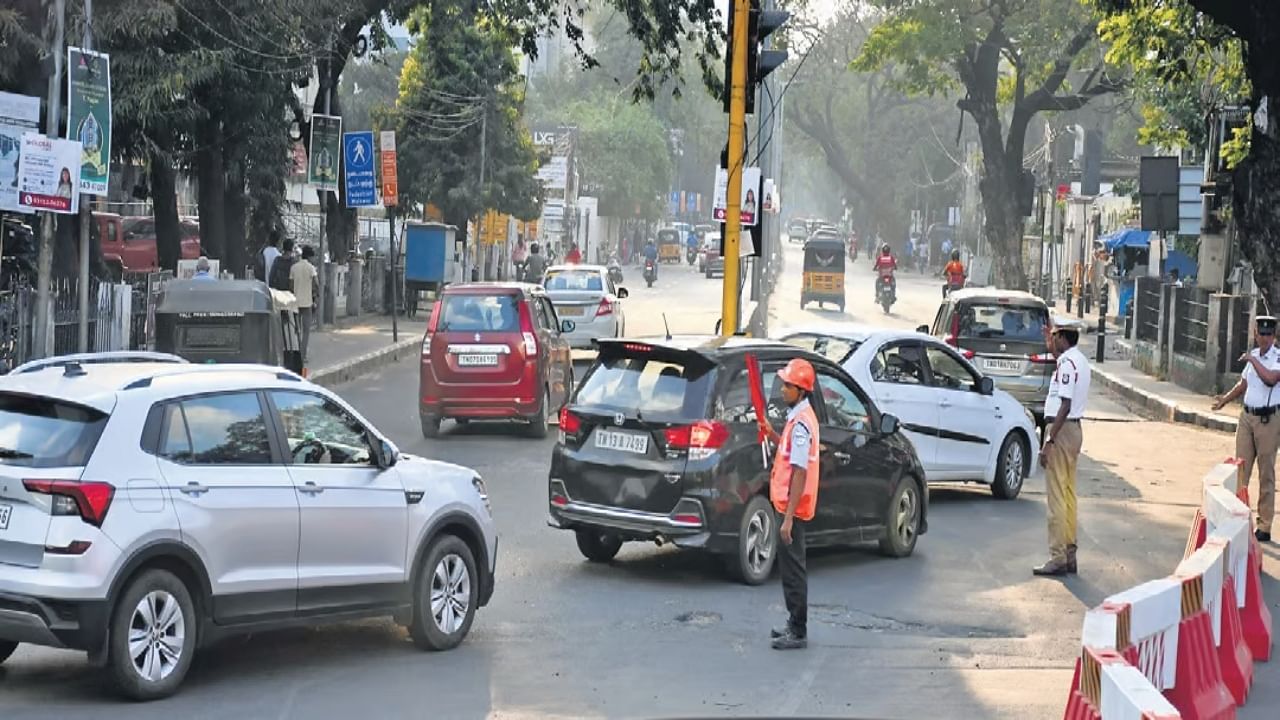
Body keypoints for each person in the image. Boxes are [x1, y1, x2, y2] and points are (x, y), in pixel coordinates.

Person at [758, 358, 820, 650]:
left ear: (801, 390)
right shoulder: (799, 419)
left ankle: (798, 630)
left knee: (794, 570)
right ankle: (793, 624)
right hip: (789, 507)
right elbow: (790, 452)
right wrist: (770, 433)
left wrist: (788, 519)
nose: (782, 389)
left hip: (792, 509)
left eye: (788, 385)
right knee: (791, 568)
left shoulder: (801, 425)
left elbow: (799, 471)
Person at [1212, 315, 1280, 542]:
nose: (1265, 338)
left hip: (1268, 419)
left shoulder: (1276, 358)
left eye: (1269, 334)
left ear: (1274, 336)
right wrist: (1225, 399)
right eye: (1262, 334)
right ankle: (1238, 519)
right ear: (1256, 333)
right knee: (1240, 470)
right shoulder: (1253, 356)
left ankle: (1265, 524)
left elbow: (1271, 379)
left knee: (1266, 472)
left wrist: (1253, 360)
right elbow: (1244, 384)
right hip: (1247, 416)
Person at [1035, 324, 1092, 576]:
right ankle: (1069, 554)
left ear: (1062, 338)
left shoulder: (1067, 364)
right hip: (1074, 431)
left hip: (1062, 430)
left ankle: (1057, 556)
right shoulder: (1080, 361)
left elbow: (1065, 404)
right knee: (1068, 494)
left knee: (1056, 496)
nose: (1051, 341)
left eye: (1053, 337)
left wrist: (1050, 440)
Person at [291, 245, 319, 362]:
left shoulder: (294, 267)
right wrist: (315, 296)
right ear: (309, 257)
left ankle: (296, 354)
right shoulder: (311, 268)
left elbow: (290, 285)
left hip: (295, 303)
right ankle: (303, 355)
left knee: (297, 330)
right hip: (307, 303)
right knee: (306, 331)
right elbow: (316, 284)